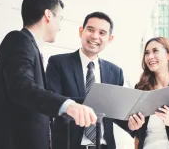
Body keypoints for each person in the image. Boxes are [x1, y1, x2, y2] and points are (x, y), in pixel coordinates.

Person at [0, 0, 97, 149]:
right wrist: (68, 105)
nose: (60, 27)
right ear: (48, 15)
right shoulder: (18, 40)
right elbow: (22, 87)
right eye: (60, 18)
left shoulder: (30, 46)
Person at [46, 11, 142, 149]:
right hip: (68, 145)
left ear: (110, 39)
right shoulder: (58, 63)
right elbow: (53, 102)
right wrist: (98, 102)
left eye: (102, 33)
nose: (95, 36)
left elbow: (117, 113)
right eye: (90, 30)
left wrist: (132, 125)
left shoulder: (115, 72)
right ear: (81, 31)